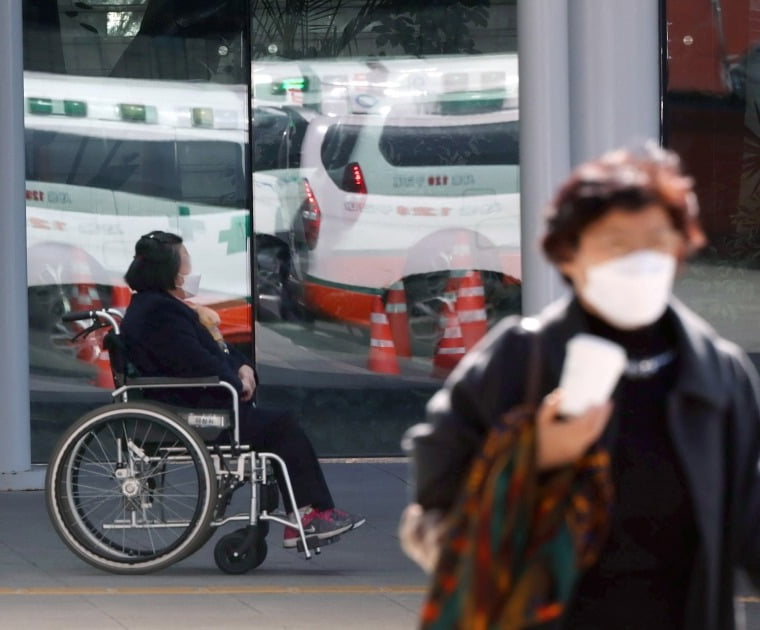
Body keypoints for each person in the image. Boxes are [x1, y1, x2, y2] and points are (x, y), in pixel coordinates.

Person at [402, 145, 760, 628]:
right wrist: (536, 455)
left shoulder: (718, 375)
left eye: (657, 240)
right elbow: (434, 498)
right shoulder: (519, 361)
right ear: (569, 254)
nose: (640, 261)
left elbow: (749, 524)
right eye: (616, 243)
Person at [120, 230, 362, 548]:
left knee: (276, 424)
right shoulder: (160, 312)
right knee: (281, 425)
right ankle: (308, 514)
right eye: (185, 261)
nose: (188, 269)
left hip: (198, 400)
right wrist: (235, 382)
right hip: (191, 411)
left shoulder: (162, 306)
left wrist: (243, 368)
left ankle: (307, 513)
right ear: (169, 269)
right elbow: (194, 362)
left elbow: (214, 351)